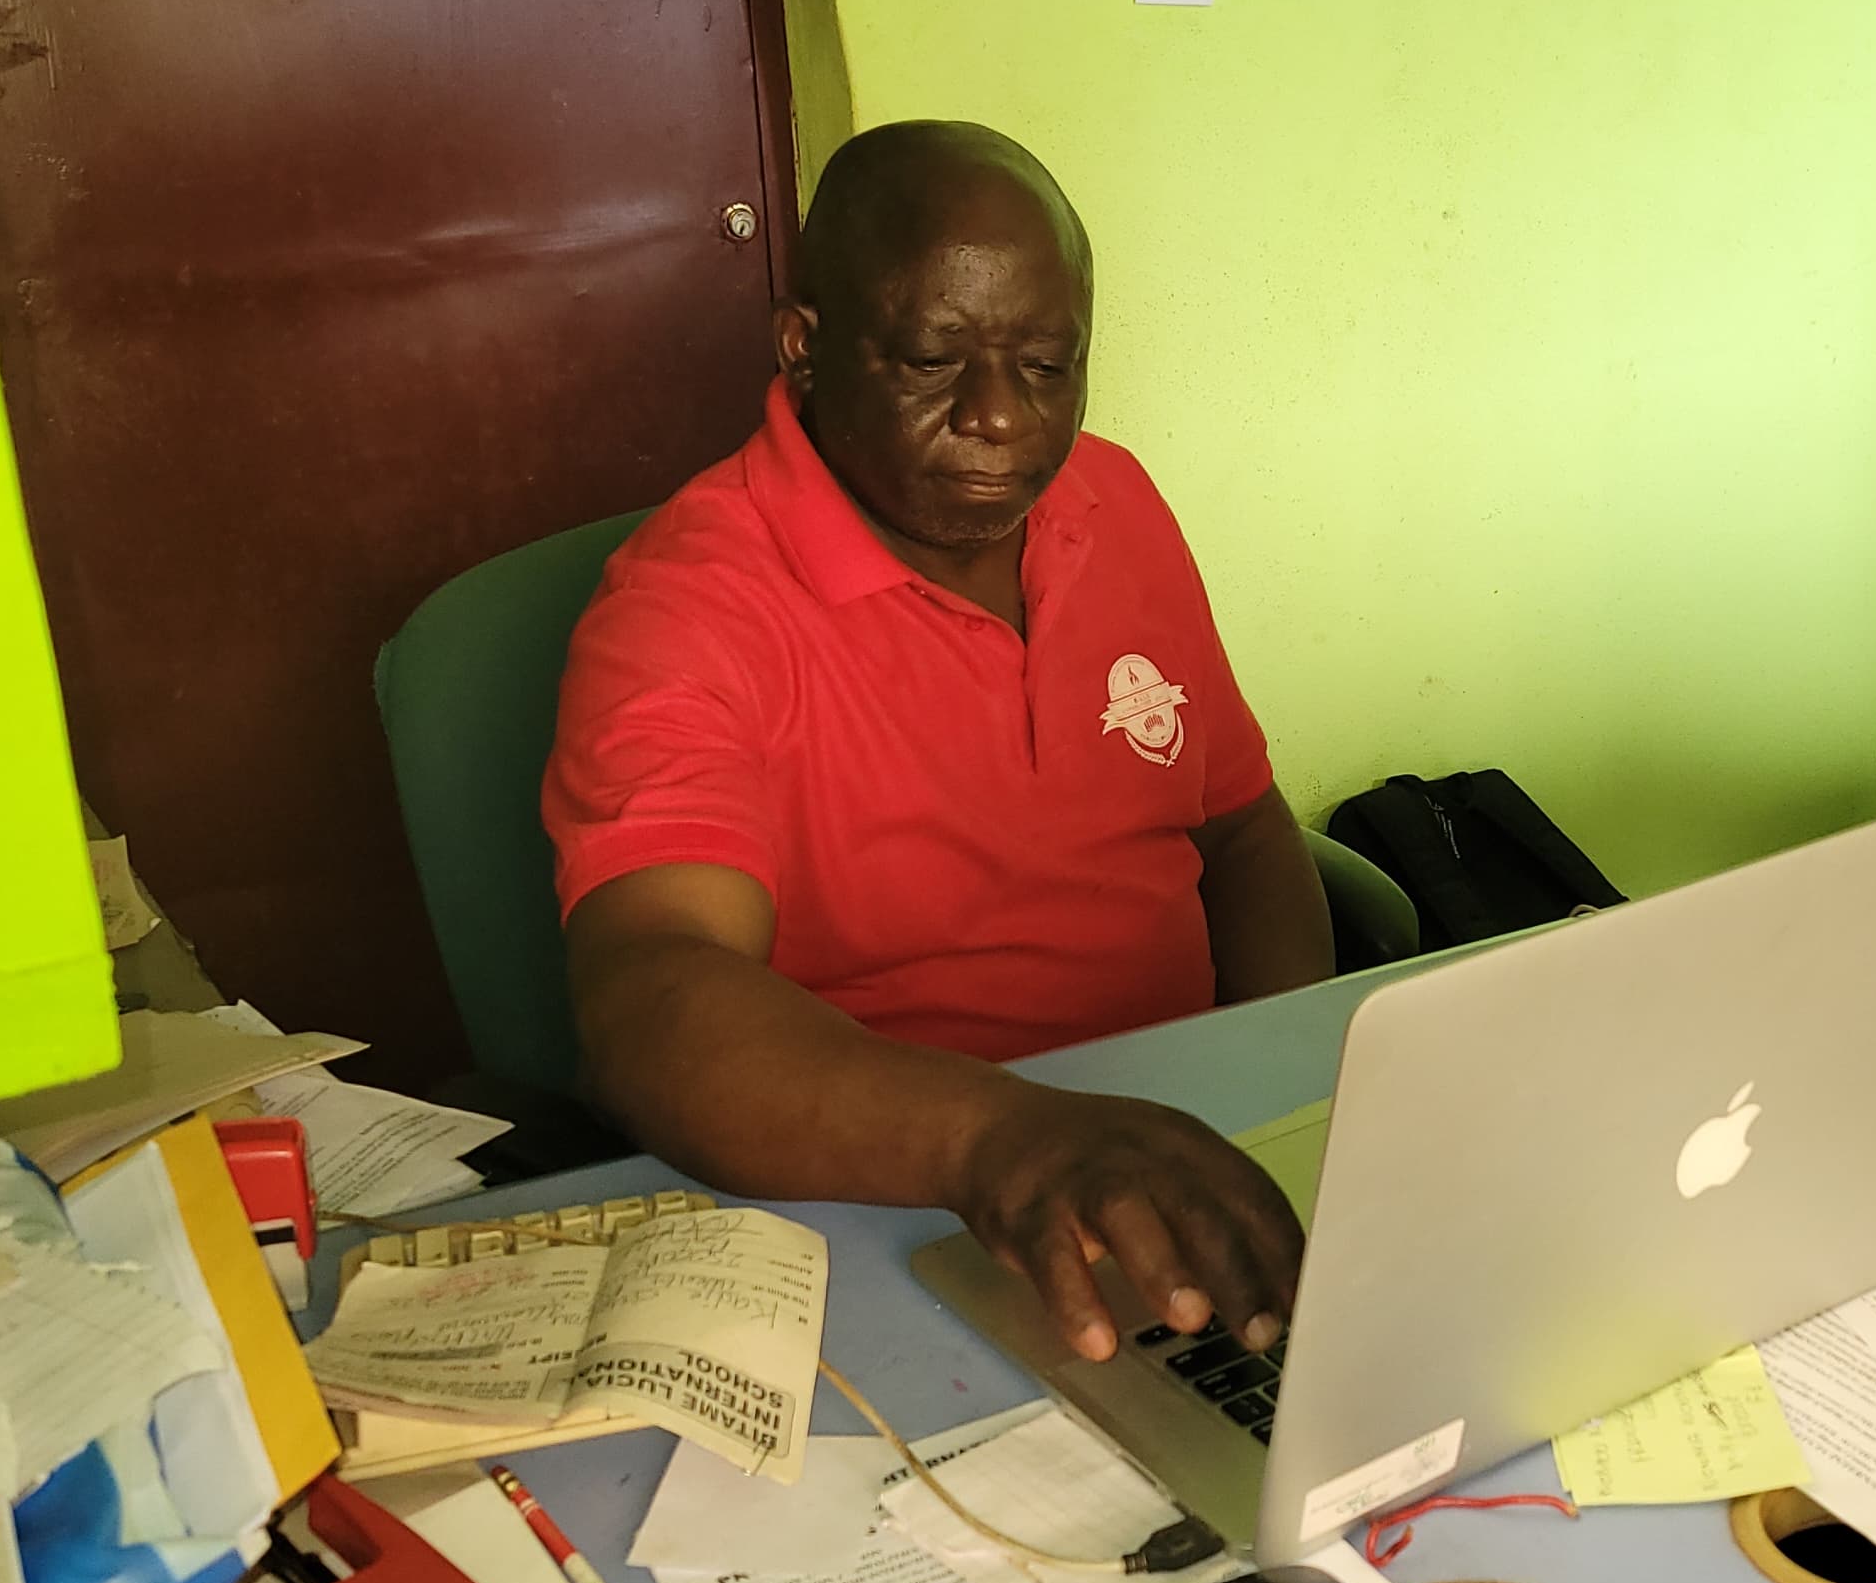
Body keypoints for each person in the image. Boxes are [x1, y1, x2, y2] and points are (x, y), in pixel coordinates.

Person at [545, 121, 1335, 1365]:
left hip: (1182, 1166)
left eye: (1047, 365)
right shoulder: (688, 610)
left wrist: (1283, 1098)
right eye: (931, 360)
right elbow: (652, 990)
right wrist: (999, 1139)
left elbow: (1238, 829)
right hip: (904, 1206)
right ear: (804, 346)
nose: (1000, 418)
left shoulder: (1113, 501)